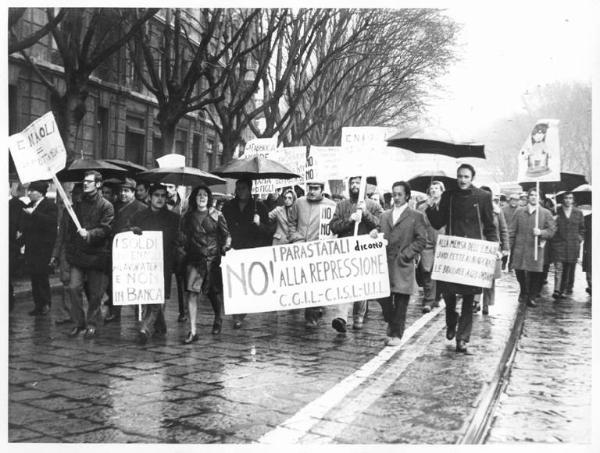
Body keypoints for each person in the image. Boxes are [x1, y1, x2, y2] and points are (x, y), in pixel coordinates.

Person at [426, 164, 498, 354]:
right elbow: (438, 222)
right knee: (448, 293)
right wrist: (433, 205)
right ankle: (451, 320)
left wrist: (494, 246)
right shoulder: (449, 196)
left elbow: (490, 225)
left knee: (468, 296)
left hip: (472, 253)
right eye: (459, 176)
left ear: (472, 178)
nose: (462, 180)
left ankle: (463, 338)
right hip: (452, 253)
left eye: (466, 177)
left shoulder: (483, 197)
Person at [329, 176, 382, 332]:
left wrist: (365, 213)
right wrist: (349, 220)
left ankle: (358, 316)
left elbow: (381, 224)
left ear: (364, 186)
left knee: (361, 284)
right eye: (352, 183)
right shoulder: (341, 205)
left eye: (358, 183)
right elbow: (333, 226)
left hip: (364, 251)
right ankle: (341, 317)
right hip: (345, 250)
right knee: (344, 283)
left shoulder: (374, 205)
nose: (354, 186)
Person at [65, 171, 114, 339]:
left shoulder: (106, 206)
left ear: (98, 184)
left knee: (95, 294)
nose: (85, 184)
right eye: (84, 181)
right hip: (79, 255)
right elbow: (71, 230)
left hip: (97, 255)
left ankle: (92, 324)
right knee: (73, 288)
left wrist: (90, 234)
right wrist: (70, 250)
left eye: (89, 182)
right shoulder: (77, 204)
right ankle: (79, 323)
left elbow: (106, 229)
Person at [129, 184, 180, 344]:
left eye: (163, 196)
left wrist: (180, 237)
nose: (160, 198)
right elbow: (128, 232)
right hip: (144, 262)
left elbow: (177, 240)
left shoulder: (173, 218)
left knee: (157, 297)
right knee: (146, 295)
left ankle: (145, 327)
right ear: (150, 197)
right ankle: (161, 324)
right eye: (156, 195)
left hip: (163, 263)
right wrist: (133, 230)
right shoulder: (139, 215)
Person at [180, 185, 231, 343]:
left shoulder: (217, 215)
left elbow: (226, 235)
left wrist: (226, 245)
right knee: (192, 292)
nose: (202, 197)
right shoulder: (187, 217)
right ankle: (193, 330)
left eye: (205, 195)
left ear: (209, 199)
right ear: (194, 198)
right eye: (199, 195)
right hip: (194, 260)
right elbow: (182, 236)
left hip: (211, 260)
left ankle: (218, 317)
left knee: (213, 292)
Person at [379, 181, 427, 346]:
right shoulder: (384, 215)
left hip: (403, 264)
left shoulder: (416, 216)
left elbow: (422, 240)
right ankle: (391, 325)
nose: (396, 198)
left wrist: (407, 255)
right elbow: (380, 235)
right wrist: (373, 235)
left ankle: (396, 334)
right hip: (386, 263)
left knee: (401, 301)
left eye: (400, 194)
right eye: (394, 194)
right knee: (384, 299)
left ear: (407, 195)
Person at [222, 179, 274, 329]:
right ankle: (236, 313)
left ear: (250, 189)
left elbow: (269, 231)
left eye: (243, 188)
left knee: (247, 283)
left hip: (251, 249)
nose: (240, 191)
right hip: (233, 247)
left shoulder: (260, 207)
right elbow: (223, 225)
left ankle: (240, 313)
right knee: (234, 282)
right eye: (238, 188)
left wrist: (259, 224)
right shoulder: (228, 206)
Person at [288, 180, 337, 328]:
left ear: (322, 189)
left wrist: (329, 243)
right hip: (301, 248)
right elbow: (291, 222)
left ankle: (312, 316)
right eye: (310, 188)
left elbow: (334, 228)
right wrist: (296, 239)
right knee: (304, 282)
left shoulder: (331, 205)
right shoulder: (299, 202)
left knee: (316, 282)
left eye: (316, 188)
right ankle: (312, 310)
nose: (312, 191)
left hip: (320, 251)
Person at [104, 178, 148, 323]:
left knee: (135, 281)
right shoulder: (114, 206)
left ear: (133, 193)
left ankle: (139, 309)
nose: (123, 194)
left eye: (127, 191)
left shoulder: (141, 208)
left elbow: (145, 230)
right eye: (121, 191)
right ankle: (115, 311)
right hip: (116, 249)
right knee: (115, 281)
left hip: (134, 251)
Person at [509, 188, 556, 308]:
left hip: (536, 248)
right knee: (519, 271)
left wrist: (541, 232)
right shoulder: (520, 212)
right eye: (531, 195)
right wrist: (508, 246)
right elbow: (512, 230)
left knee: (536, 273)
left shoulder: (545, 213)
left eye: (536, 195)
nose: (533, 197)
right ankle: (524, 290)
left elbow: (552, 230)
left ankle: (532, 296)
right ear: (528, 197)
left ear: (539, 198)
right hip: (521, 247)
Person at [19, 180, 57, 316]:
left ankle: (46, 303)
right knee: (34, 277)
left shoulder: (50, 205)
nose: (29, 193)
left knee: (42, 276)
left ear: (40, 193)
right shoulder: (29, 205)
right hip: (31, 247)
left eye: (32, 191)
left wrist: (34, 214)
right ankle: (38, 305)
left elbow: (51, 223)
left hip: (43, 248)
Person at [50, 183, 84, 324]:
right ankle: (69, 314)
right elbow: (61, 235)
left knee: (80, 285)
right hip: (67, 251)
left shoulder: (89, 210)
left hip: (83, 251)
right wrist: (55, 254)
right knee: (66, 282)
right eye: (74, 194)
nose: (77, 197)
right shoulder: (66, 211)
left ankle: (83, 314)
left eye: (79, 194)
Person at [476, 188, 509, 315]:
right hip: (478, 246)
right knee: (477, 275)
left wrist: (505, 247)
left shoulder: (497, 212)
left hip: (492, 247)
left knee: (490, 278)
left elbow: (503, 230)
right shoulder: (473, 210)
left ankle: (486, 304)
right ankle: (476, 301)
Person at [418, 180, 446, 313]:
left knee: (440, 270)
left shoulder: (446, 206)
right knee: (427, 269)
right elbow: (418, 224)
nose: (434, 190)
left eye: (437, 188)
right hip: (427, 240)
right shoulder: (422, 207)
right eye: (432, 188)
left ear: (442, 191)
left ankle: (437, 296)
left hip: (443, 241)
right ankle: (428, 300)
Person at [551, 192, 585, 299]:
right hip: (559, 245)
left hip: (572, 245)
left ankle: (564, 289)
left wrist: (579, 239)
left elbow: (582, 229)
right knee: (559, 267)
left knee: (568, 268)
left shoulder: (578, 213)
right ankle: (556, 290)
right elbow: (551, 227)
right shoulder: (556, 211)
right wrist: (554, 220)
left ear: (573, 200)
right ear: (563, 199)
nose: (568, 200)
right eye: (566, 198)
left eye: (570, 198)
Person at [164, 182, 188, 323]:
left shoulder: (184, 205)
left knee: (181, 281)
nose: (167, 190)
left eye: (170, 187)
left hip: (179, 248)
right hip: (165, 246)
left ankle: (183, 311)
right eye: (165, 187)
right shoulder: (162, 203)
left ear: (177, 188)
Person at [9, 183, 26, 312]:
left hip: (10, 247)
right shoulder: (19, 206)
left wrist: (17, 244)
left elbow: (24, 229)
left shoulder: (16, 206)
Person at [502, 193, 520, 271]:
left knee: (514, 252)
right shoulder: (503, 209)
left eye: (516, 200)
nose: (514, 202)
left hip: (516, 234)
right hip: (506, 233)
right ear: (510, 200)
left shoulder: (520, 210)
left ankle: (510, 266)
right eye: (513, 200)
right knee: (505, 249)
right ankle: (503, 264)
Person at [582, 212, 591, 295]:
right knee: (589, 267)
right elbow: (583, 232)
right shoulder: (587, 218)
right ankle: (591, 286)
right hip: (589, 247)